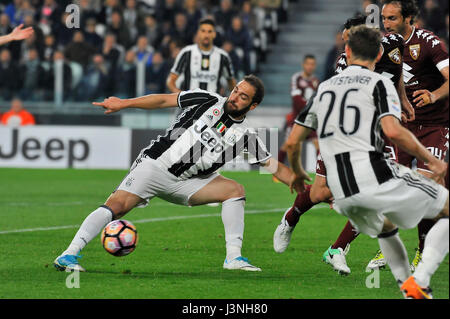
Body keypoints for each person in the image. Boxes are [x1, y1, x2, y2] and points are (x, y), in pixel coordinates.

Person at [53, 75, 300, 273]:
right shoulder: (207, 99)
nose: (234, 96)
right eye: (236, 90)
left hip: (188, 183)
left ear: (253, 105)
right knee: (117, 206)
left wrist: (302, 189)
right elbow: (163, 100)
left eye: (243, 96)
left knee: (235, 191)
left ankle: (233, 258)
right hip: (156, 166)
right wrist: (124, 103)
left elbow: (272, 165)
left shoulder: (246, 136)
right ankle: (68, 254)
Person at [292, 25, 448, 299]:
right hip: (374, 178)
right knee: (446, 206)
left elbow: (293, 142)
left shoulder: (324, 87)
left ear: (347, 51)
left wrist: (295, 172)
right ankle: (422, 277)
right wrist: (430, 160)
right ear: (379, 55)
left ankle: (408, 287)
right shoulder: (379, 84)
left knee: (387, 228)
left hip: (341, 193)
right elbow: (393, 131)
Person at [273, 14, 415, 275]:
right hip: (341, 134)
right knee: (320, 193)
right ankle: (290, 218)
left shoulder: (394, 43)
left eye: (351, 38)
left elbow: (397, 75)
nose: (347, 45)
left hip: (376, 137)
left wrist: (403, 99)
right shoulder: (343, 64)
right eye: (346, 40)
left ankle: (337, 249)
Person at [381, 0, 449, 272]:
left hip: (435, 126)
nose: (386, 24)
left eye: (392, 18)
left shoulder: (429, 42)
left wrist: (433, 95)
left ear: (409, 19)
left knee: (426, 186)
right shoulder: (386, 45)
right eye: (384, 18)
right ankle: (387, 245)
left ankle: (422, 252)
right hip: (404, 127)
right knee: (390, 185)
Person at [166, 18, 236, 95]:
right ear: (198, 33)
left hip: (213, 105)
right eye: (203, 31)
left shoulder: (223, 56)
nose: (206, 35)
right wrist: (181, 96)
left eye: (209, 31)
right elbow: (170, 81)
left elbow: (231, 83)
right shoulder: (186, 53)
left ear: (214, 34)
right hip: (189, 105)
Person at [277, 54, 320, 168]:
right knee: (287, 145)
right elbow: (296, 99)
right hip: (297, 120)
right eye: (308, 64)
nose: (310, 66)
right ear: (303, 64)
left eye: (312, 64)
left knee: (317, 144)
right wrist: (310, 107)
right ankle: (277, 171)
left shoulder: (316, 81)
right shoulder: (297, 78)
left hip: (310, 121)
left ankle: (320, 173)